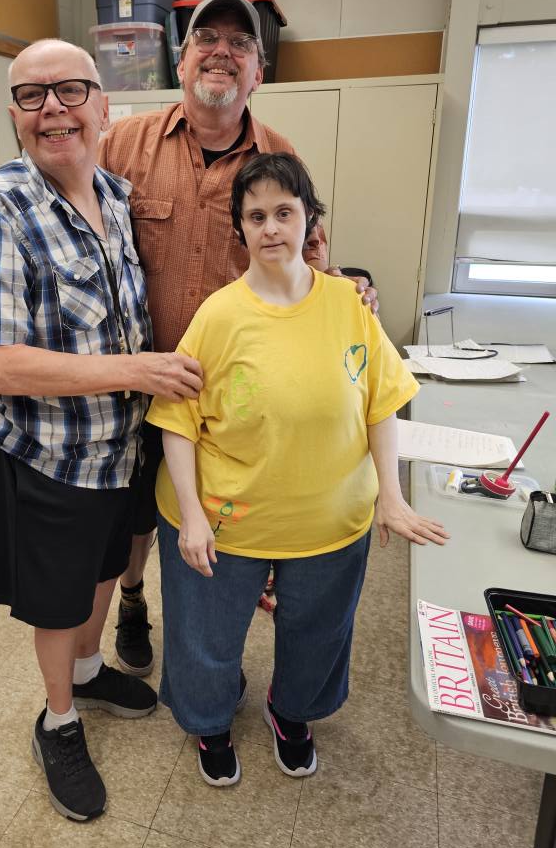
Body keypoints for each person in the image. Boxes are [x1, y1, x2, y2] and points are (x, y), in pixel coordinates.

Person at [0, 39, 202, 822]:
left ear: (103, 107)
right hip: (50, 453)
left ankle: (90, 671)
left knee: (103, 571)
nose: (53, 107)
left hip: (119, 444)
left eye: (69, 91)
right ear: (16, 116)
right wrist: (139, 371)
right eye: (31, 96)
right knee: (57, 602)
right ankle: (57, 717)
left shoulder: (117, 195)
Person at [96, 0, 379, 677]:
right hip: (134, 376)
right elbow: (53, 194)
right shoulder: (122, 142)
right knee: (135, 516)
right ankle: (134, 600)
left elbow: (304, 265)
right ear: (183, 60)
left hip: (230, 398)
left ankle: (215, 642)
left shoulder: (281, 156)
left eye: (241, 44)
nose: (221, 51)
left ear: (258, 74)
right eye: (206, 39)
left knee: (221, 522)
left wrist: (350, 287)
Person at [145, 152, 449, 787]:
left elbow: (382, 402)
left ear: (310, 220)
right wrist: (192, 519)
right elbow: (176, 420)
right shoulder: (219, 314)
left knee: (319, 631)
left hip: (331, 514)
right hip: (225, 517)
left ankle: (293, 714)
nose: (271, 228)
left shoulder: (347, 303)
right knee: (206, 634)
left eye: (284, 212)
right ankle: (210, 722)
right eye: (255, 216)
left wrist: (391, 499)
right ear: (241, 229)